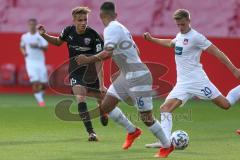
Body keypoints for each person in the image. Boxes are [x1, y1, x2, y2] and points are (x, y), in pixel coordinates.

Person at [75, 2, 174, 158]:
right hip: (127, 76)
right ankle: (133, 131)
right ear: (116, 14)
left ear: (101, 16)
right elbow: (137, 51)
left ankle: (167, 146)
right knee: (106, 105)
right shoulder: (121, 28)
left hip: (138, 77)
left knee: (146, 117)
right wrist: (124, 69)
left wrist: (88, 59)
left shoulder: (110, 29)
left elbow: (107, 53)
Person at [37, 6, 137, 143]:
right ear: (74, 20)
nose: (83, 22)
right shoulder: (68, 31)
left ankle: (104, 110)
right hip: (76, 72)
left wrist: (101, 84)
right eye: (80, 20)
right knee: (80, 97)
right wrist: (44, 34)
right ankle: (91, 133)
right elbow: (58, 42)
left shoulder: (93, 35)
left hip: (91, 73)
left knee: (105, 100)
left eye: (85, 20)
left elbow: (99, 60)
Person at [143, 9, 240, 148]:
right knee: (165, 108)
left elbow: (217, 52)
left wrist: (234, 70)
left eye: (183, 24)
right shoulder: (180, 36)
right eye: (178, 25)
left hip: (198, 81)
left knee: (225, 105)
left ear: (189, 21)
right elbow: (171, 43)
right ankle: (164, 142)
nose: (181, 27)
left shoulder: (196, 37)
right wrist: (152, 39)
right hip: (182, 83)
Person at [20, 18, 48, 107]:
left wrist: (38, 45)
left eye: (33, 24)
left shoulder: (40, 36)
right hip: (30, 63)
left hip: (40, 62)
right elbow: (22, 46)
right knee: (35, 82)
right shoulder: (24, 36)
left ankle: (41, 95)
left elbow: (46, 48)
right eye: (30, 24)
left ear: (36, 26)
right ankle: (41, 102)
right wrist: (24, 53)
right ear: (28, 25)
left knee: (44, 84)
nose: (32, 26)